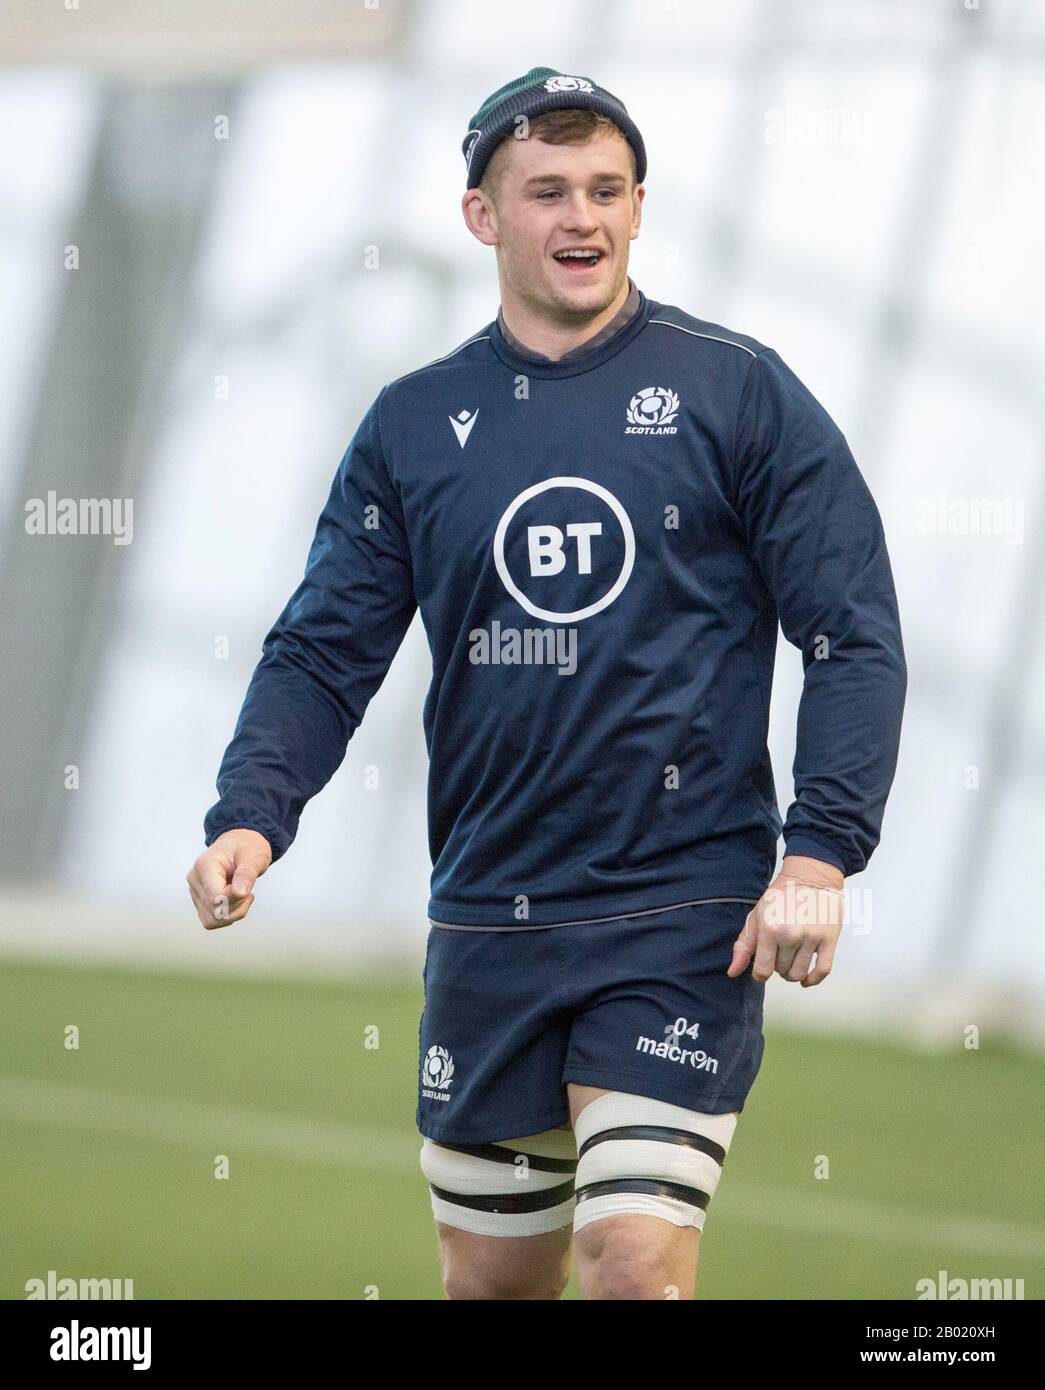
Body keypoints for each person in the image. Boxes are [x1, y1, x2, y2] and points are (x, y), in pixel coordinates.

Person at [187, 66, 907, 1300]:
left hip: (680, 914)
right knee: (493, 1287)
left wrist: (819, 851)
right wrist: (252, 809)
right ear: (482, 215)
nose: (583, 217)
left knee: (633, 1264)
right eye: (549, 192)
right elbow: (323, 646)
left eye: (607, 191)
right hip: (488, 916)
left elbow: (851, 631)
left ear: (639, 208)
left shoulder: (740, 392)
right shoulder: (413, 424)